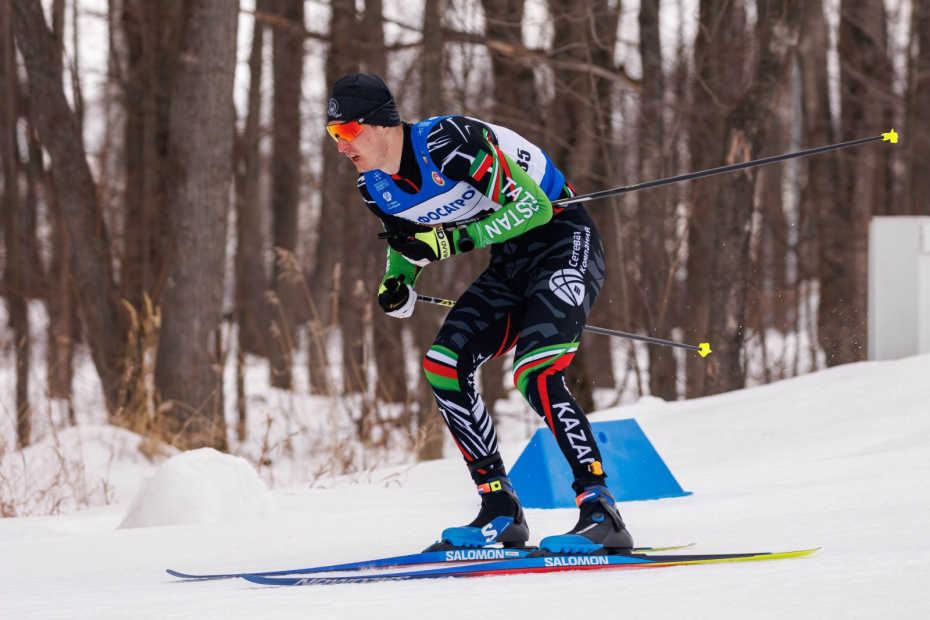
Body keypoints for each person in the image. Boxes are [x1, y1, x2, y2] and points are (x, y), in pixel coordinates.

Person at [326, 73, 633, 555]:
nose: (341, 146)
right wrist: (398, 280)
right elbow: (405, 246)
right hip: (509, 260)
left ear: (382, 125)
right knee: (444, 365)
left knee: (536, 371)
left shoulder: (450, 142)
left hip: (562, 240)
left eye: (346, 132)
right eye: (332, 135)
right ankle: (500, 510)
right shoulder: (375, 187)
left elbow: (534, 209)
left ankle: (601, 509)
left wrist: (447, 242)